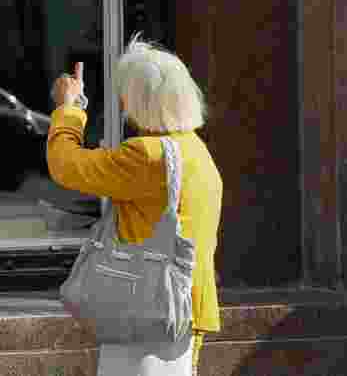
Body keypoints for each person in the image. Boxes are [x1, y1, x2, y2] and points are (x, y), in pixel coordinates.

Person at [47, 39, 222, 376]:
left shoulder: (147, 155)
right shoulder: (195, 151)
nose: (123, 103)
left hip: (145, 309)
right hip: (182, 310)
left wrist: (68, 110)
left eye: (125, 94)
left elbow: (65, 165)